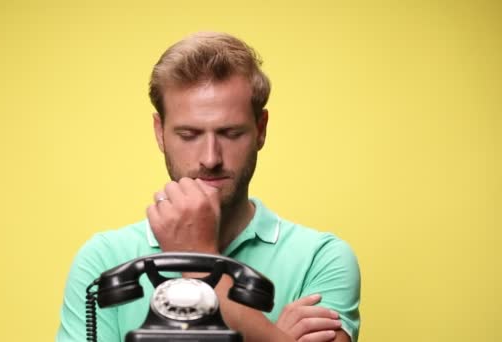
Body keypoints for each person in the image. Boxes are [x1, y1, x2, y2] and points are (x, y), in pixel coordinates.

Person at [56, 32, 360, 342]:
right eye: (189, 135)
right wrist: (273, 337)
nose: (210, 158)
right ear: (160, 133)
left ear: (260, 129)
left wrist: (197, 258)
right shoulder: (103, 258)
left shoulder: (321, 258)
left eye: (230, 133)